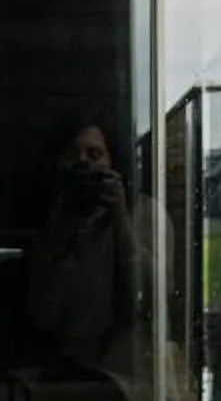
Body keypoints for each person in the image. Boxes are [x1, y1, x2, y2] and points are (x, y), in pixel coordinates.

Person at [25, 112, 139, 372]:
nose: (83, 163)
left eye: (95, 154)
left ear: (114, 164)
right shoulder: (44, 221)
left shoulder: (143, 215)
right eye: (73, 154)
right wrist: (60, 230)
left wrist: (120, 219)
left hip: (123, 367)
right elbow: (42, 314)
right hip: (59, 366)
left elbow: (151, 300)